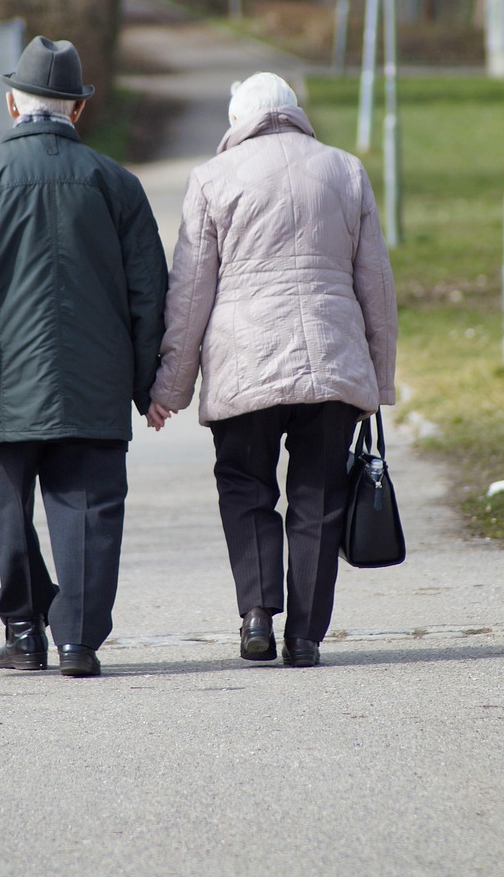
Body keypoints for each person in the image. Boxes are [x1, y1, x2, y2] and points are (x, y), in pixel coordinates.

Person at [0, 35, 168, 678]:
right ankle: (79, 641)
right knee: (89, 511)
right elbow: (150, 294)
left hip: (4, 386)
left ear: (11, 104)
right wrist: (147, 385)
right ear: (77, 110)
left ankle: (26, 632)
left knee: (10, 510)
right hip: (95, 382)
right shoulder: (118, 185)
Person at [147, 72, 397, 668]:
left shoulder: (211, 179)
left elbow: (189, 296)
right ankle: (306, 636)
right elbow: (377, 287)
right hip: (331, 366)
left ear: (239, 122)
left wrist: (169, 390)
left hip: (244, 364)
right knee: (319, 496)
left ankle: (258, 615)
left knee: (245, 487)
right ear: (294, 113)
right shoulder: (345, 170)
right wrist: (378, 382)